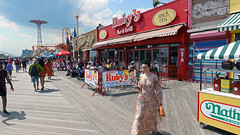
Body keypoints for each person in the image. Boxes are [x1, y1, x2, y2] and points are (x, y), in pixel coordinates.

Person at [131, 60, 163, 135]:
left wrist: (160, 100)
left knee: (152, 115)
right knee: (140, 115)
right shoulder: (141, 76)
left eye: (145, 67)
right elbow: (140, 88)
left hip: (152, 98)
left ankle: (154, 129)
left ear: (149, 67)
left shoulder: (154, 76)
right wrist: (137, 88)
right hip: (142, 98)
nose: (143, 69)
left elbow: (158, 88)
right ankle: (138, 131)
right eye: (142, 67)